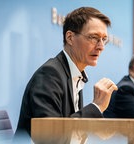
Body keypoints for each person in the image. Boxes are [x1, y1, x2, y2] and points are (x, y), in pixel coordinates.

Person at [14, 7, 118, 141]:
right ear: (70, 37)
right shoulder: (50, 74)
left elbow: (70, 130)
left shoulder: (73, 73)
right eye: (94, 37)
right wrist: (96, 106)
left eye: (104, 39)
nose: (101, 46)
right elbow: (51, 138)